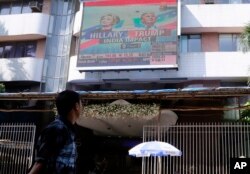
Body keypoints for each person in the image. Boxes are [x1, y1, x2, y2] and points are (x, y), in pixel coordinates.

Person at [28, 90, 82, 174]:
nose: (83, 107)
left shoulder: (68, 130)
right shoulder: (57, 129)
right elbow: (40, 163)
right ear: (76, 106)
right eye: (81, 103)